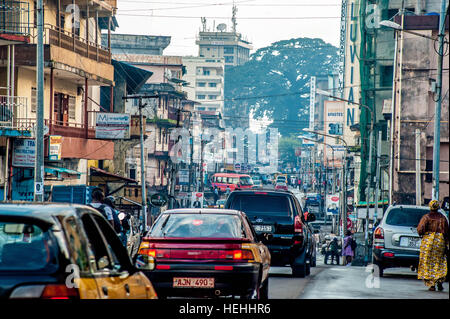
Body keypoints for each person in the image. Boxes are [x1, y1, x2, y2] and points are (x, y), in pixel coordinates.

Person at [417, 200, 449, 291]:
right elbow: (447, 232)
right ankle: (439, 281)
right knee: (439, 262)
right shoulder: (443, 218)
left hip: (428, 243)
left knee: (428, 262)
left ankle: (431, 284)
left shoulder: (426, 217)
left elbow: (420, 230)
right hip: (440, 243)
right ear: (438, 207)